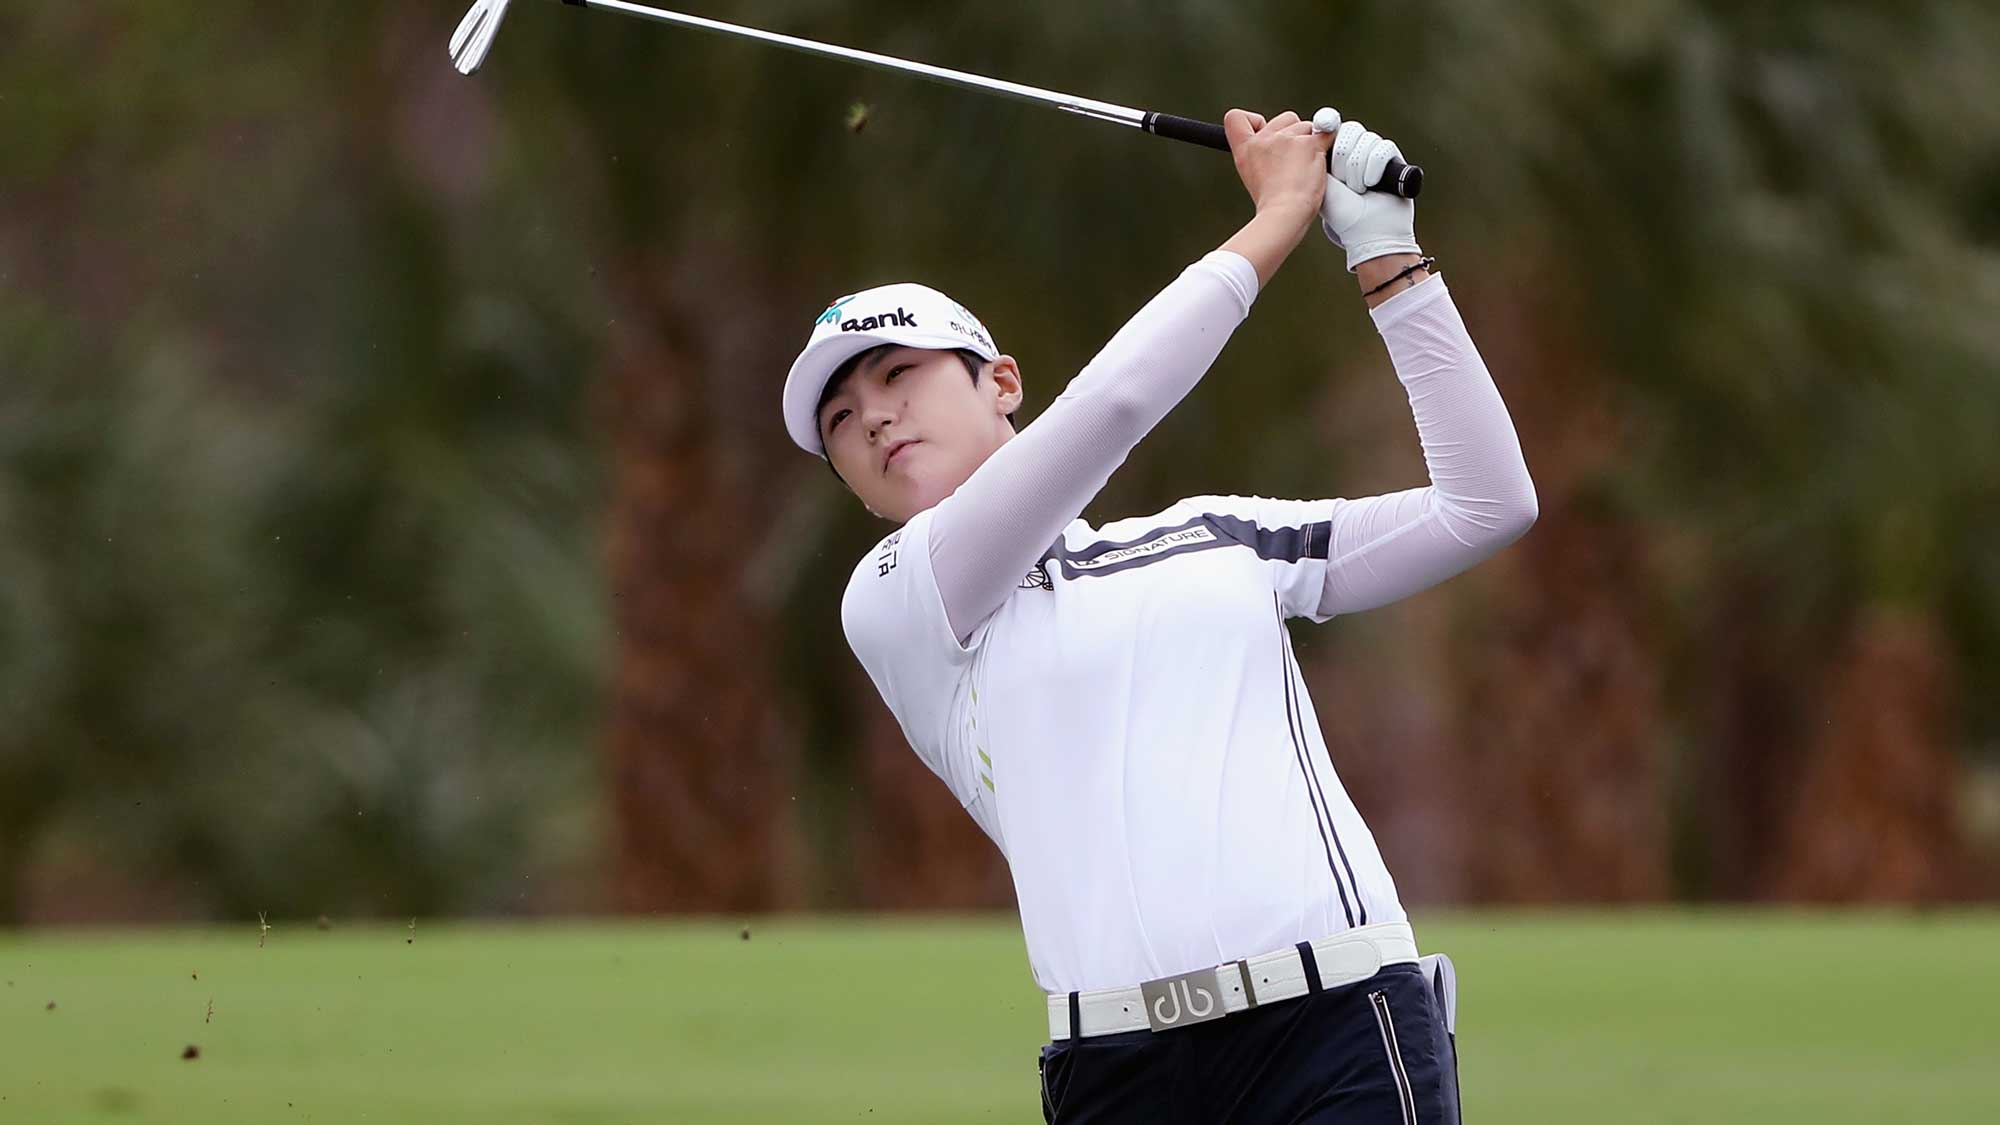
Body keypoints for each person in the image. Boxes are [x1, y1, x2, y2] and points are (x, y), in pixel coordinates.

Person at [780, 106, 1536, 1124]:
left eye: (896, 376)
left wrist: (1383, 251)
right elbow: (1115, 406)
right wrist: (1277, 214)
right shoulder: (896, 604)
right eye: (838, 420)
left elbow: (1483, 505)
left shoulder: (1218, 537)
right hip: (1117, 1071)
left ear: (1001, 383)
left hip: (1336, 1023)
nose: (870, 415)